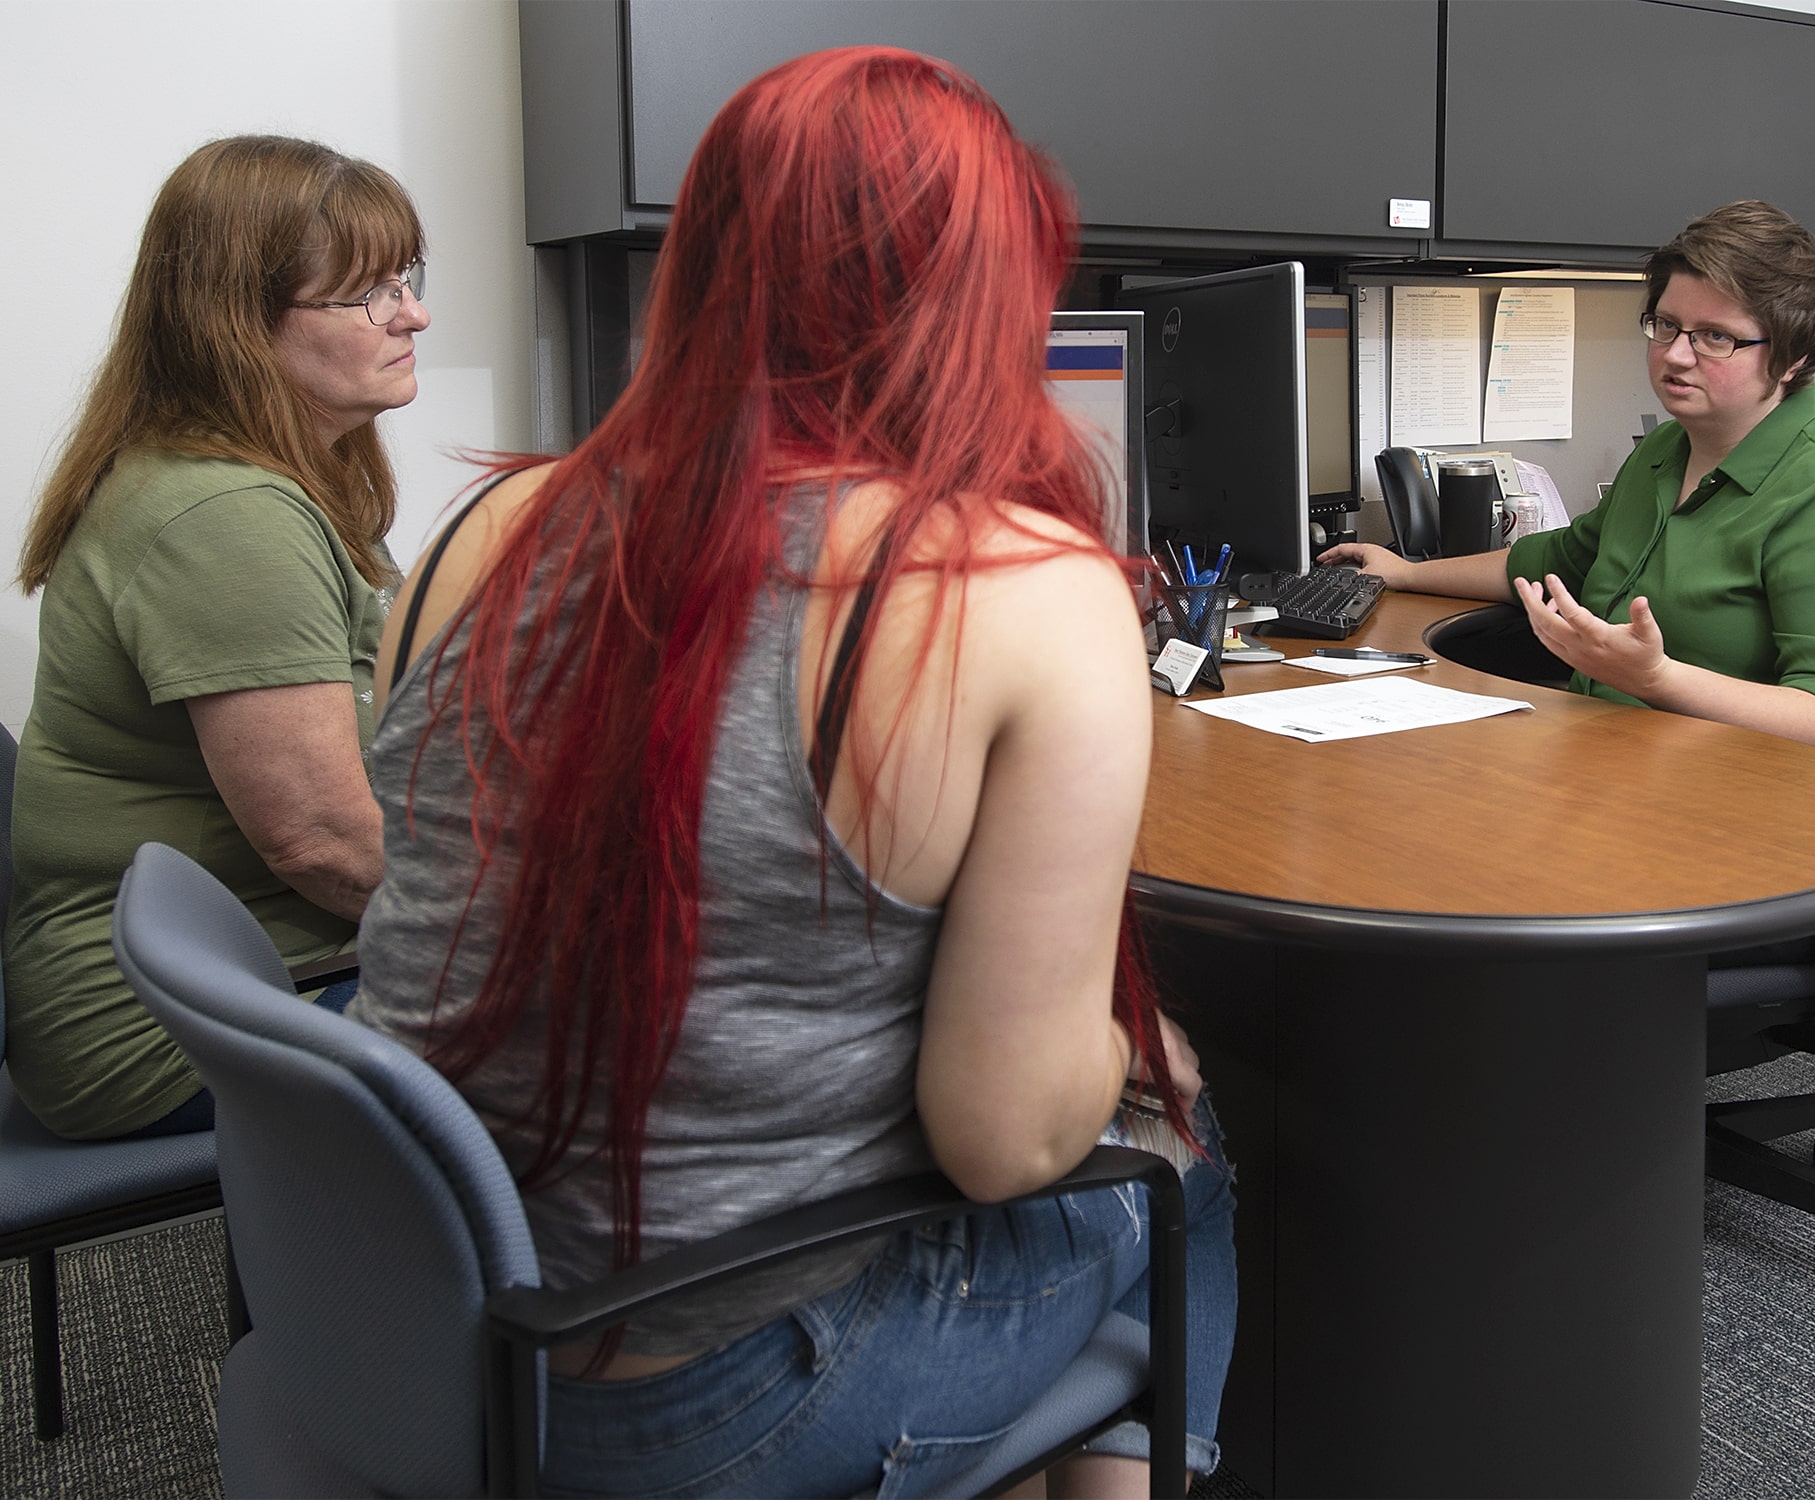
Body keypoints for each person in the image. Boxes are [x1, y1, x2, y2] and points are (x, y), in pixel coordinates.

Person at [349, 47, 1235, 1499]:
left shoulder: (474, 532)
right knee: (1184, 1161)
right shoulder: (1019, 588)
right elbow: (1005, 1142)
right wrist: (1142, 1061)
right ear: (982, 301)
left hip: (425, 1336)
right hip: (703, 1399)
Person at [3, 135, 428, 1140]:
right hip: (165, 1026)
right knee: (633, 1026)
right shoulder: (224, 514)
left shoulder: (286, 481)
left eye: (408, 278)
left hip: (262, 971)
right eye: (370, 294)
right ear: (239, 323)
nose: (413, 313)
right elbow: (322, 844)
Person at [1325, 200, 1815, 774]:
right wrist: (1404, 571)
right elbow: (1559, 559)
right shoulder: (1667, 450)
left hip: (1767, 798)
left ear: (1796, 356)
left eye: (1715, 337)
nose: (1676, 355)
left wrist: (1655, 678)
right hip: (1624, 758)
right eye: (1667, 325)